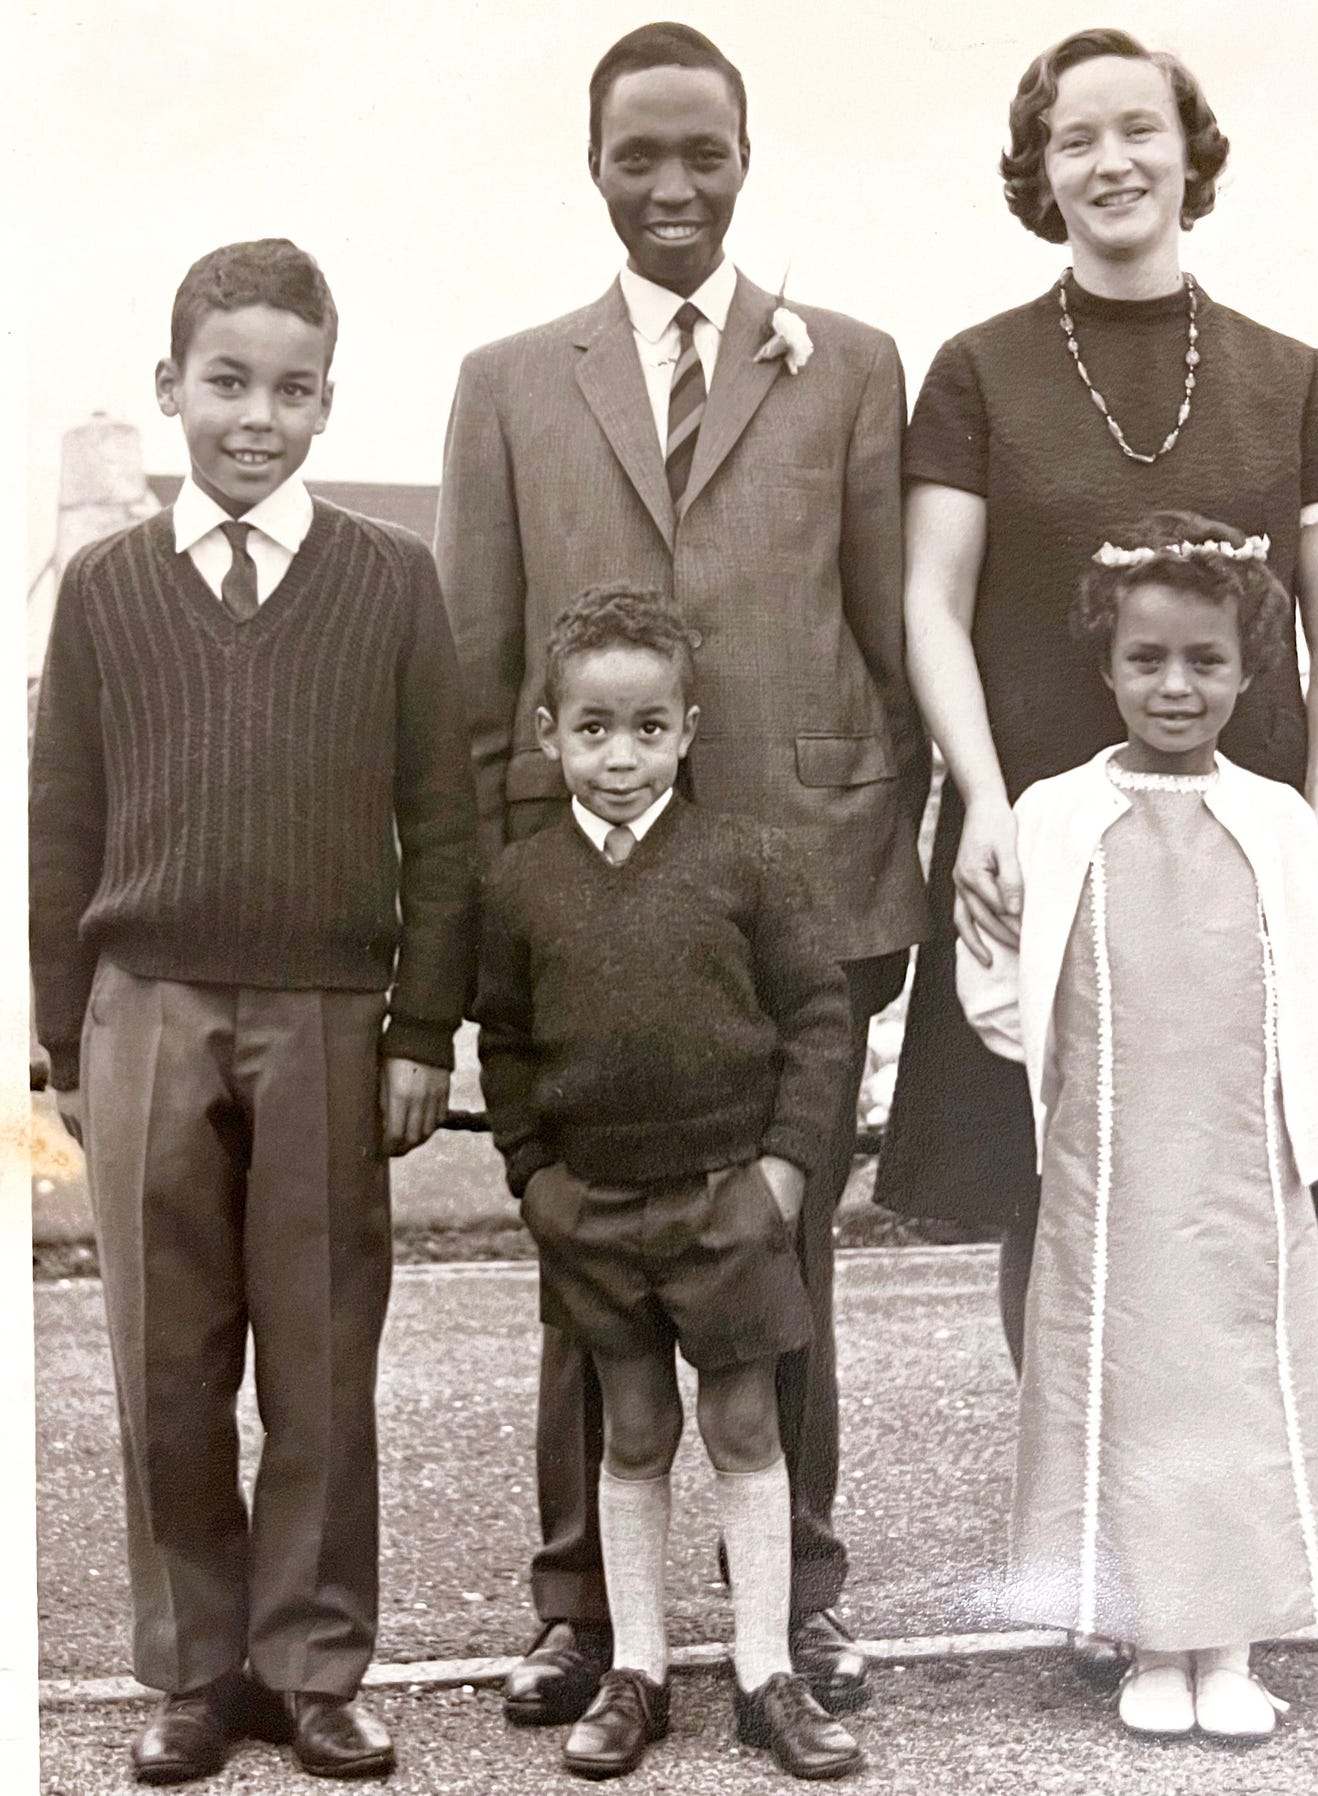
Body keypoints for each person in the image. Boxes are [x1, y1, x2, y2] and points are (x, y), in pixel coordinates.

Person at [436, 21, 928, 1721]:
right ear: (593, 167)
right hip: (576, 909)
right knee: (592, 1266)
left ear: (745, 160)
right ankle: (582, 1608)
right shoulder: (511, 380)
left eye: (701, 152)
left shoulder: (851, 363)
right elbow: (478, 665)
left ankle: (803, 1601)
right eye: (637, 153)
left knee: (777, 1261)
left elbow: (885, 630)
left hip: (799, 886)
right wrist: (508, 904)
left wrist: (879, 859)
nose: (670, 184)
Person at [875, 26, 1318, 1377]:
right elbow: (930, 599)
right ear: (1039, 173)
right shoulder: (978, 371)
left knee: (1232, 1176)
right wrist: (978, 799)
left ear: (1190, 151)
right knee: (1052, 1183)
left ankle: (1217, 1518)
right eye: (1076, 138)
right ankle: (1078, 1521)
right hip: (1042, 837)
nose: (1113, 161)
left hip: (1245, 831)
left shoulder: (1295, 376)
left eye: (1138, 128)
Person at [29, 239, 477, 1785]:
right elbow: (62, 816)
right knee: (165, 1355)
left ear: (327, 405)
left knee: (321, 1356)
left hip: (331, 1008)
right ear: (173, 391)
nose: (255, 418)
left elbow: (445, 815)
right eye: (227, 383)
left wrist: (424, 1027)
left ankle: (313, 1664)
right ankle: (194, 1670)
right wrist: (60, 1026)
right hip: (145, 1005)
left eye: (291, 390)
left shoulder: (389, 580)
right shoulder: (100, 592)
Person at [956, 513, 1318, 1740]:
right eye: (1148, 659)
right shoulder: (1051, 815)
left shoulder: (1284, 822)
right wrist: (1081, 1084)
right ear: (1106, 665)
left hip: (1241, 1165)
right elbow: (996, 981)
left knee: (1235, 1381)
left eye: (1203, 659)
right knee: (1128, 1380)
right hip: (1108, 1162)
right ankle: (1145, 1633)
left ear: (1249, 669)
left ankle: (1230, 1642)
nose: (1175, 685)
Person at [475, 585, 865, 1781]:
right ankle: (636, 1667)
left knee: (745, 1422)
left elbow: (817, 1016)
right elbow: (505, 1042)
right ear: (549, 733)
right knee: (634, 1428)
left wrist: (786, 1173)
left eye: (648, 728)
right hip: (594, 1202)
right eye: (592, 728)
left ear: (688, 730)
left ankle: (763, 1672)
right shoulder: (521, 879)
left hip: (727, 1200)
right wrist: (535, 1174)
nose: (620, 755)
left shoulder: (749, 859)